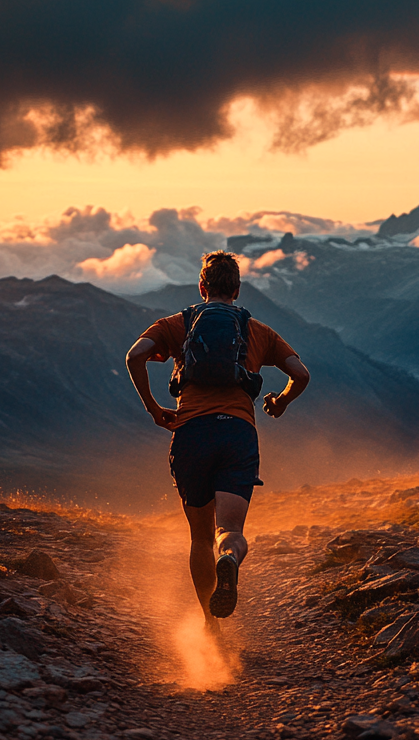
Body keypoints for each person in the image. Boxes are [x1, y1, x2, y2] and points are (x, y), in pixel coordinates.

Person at [125, 252, 310, 632]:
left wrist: (153, 408)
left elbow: (135, 356)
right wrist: (281, 400)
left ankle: (210, 626)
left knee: (199, 537)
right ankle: (230, 558)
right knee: (230, 532)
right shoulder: (258, 331)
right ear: (238, 289)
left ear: (201, 287)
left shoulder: (177, 324)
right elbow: (301, 374)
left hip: (191, 434)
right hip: (236, 434)